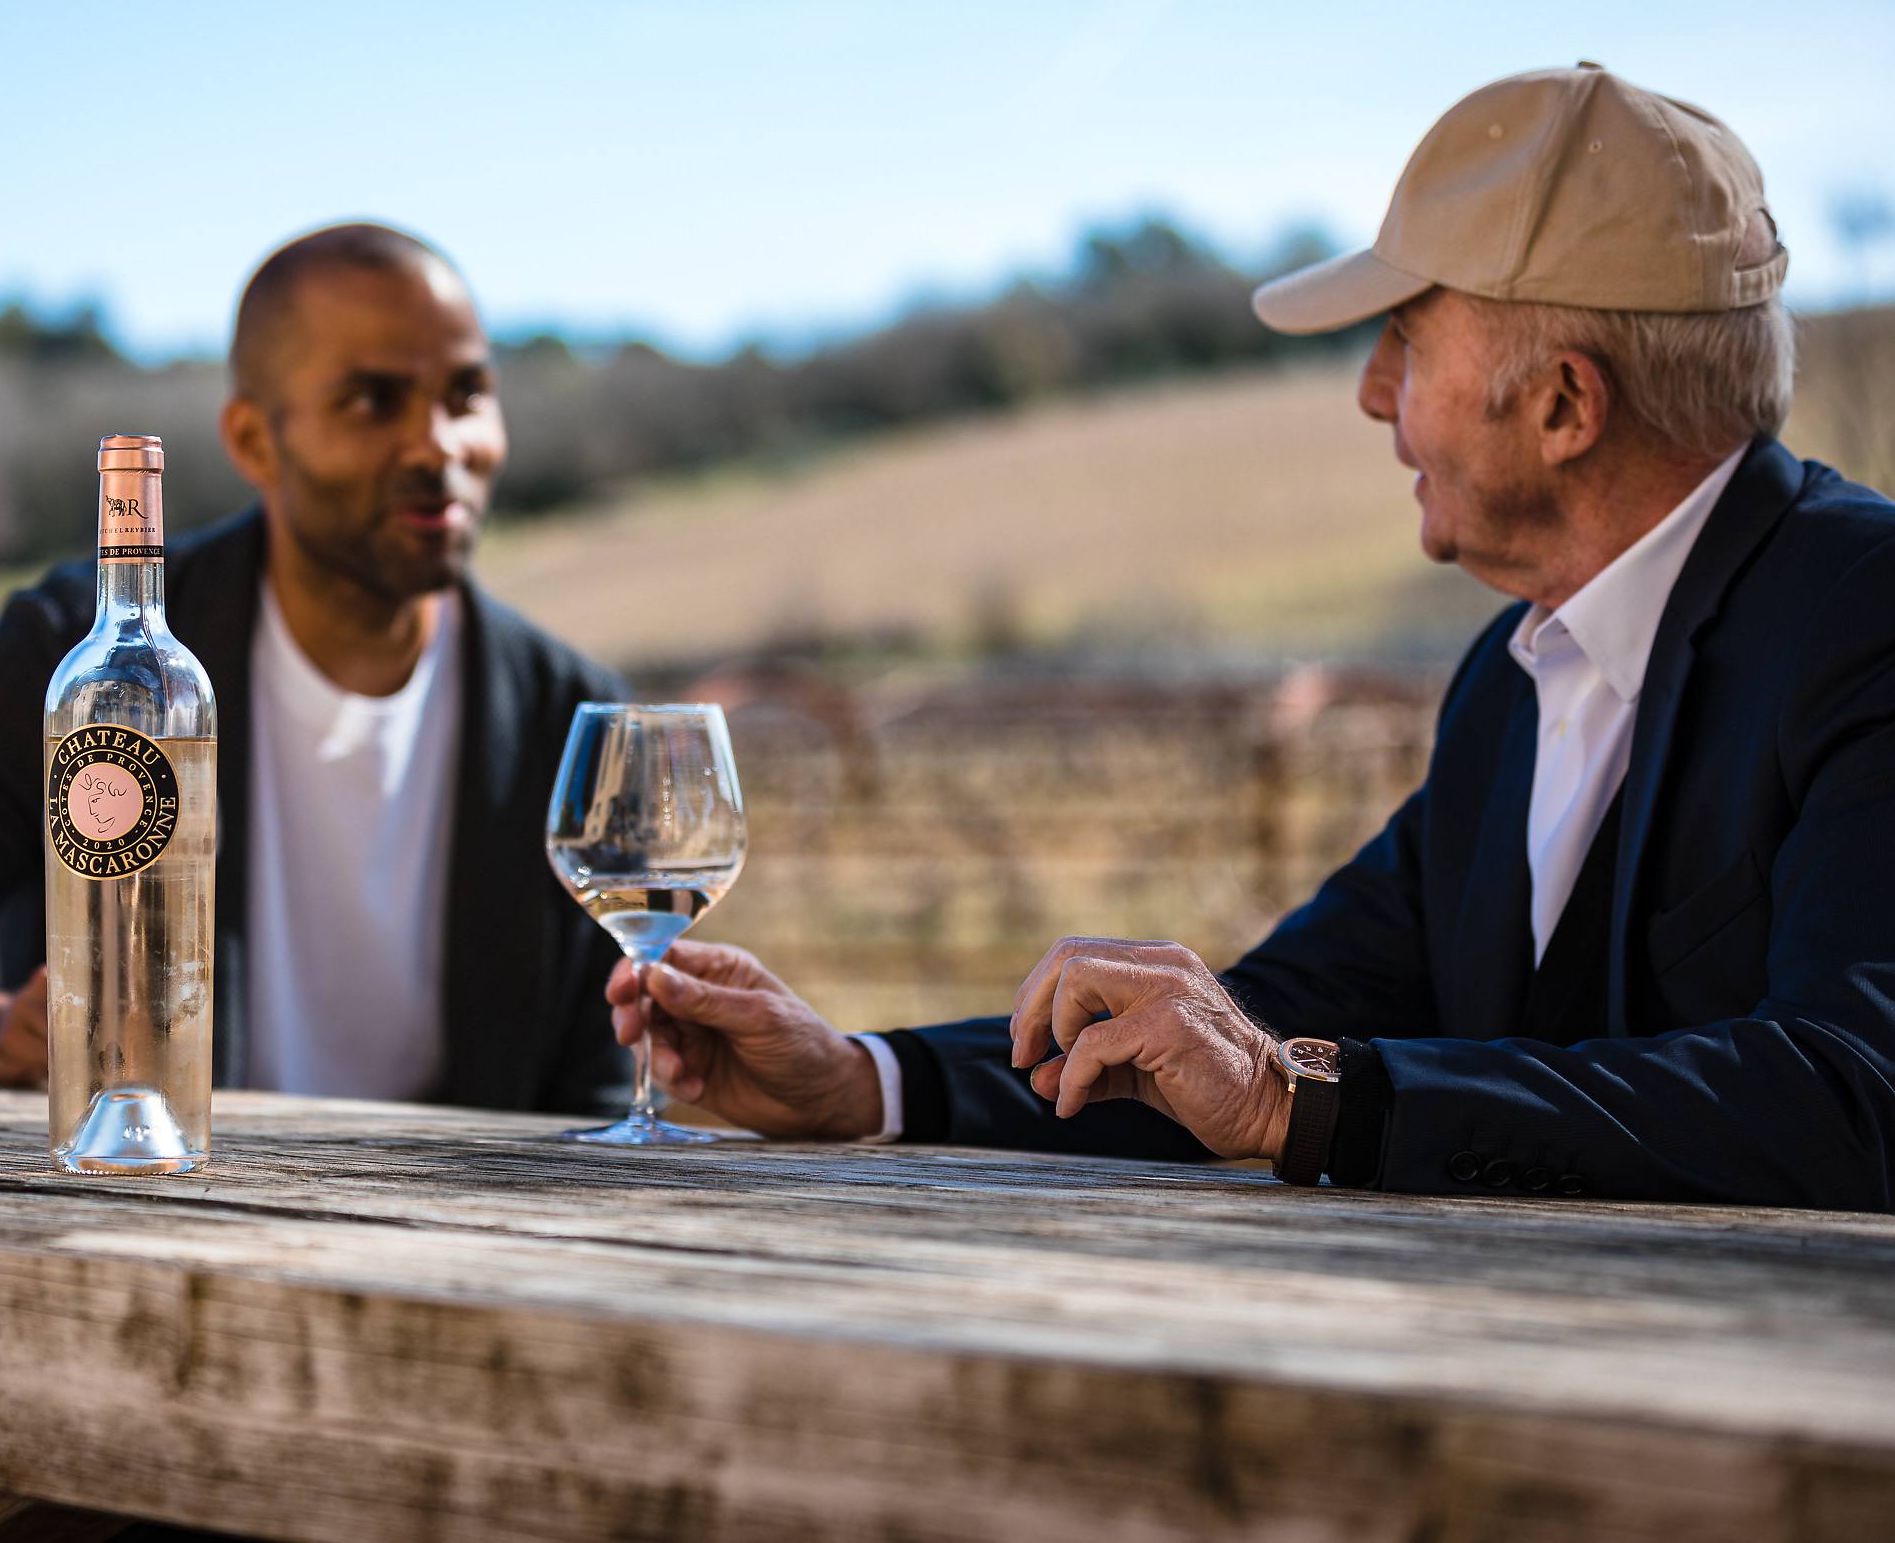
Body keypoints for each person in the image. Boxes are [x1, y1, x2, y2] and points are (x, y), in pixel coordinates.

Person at [612, 63, 1895, 1210]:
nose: (1371, 392)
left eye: (1404, 338)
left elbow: (1855, 1091)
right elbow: (1279, 1017)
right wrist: (865, 1081)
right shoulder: (1513, 682)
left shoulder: (1867, 614)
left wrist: (1304, 1100)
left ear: (1563, 402)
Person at [0, 223, 627, 1113]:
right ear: (252, 441)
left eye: (467, 395)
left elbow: (597, 1093)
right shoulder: (78, 660)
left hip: (455, 1248)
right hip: (150, 1218)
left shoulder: (569, 715)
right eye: (370, 402)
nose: (439, 446)